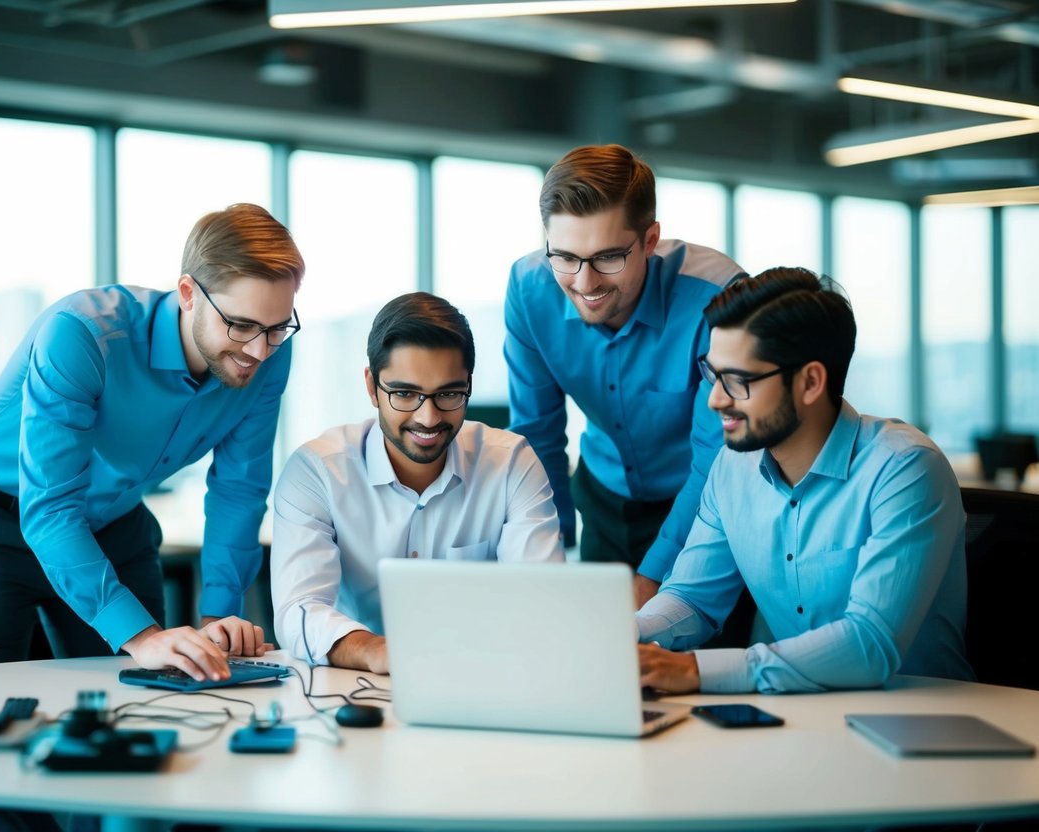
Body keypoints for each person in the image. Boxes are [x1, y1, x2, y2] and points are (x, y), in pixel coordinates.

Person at [0, 203, 304, 686]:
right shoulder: (82, 335)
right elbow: (50, 508)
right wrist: (143, 635)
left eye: (276, 327)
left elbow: (240, 488)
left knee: (151, 697)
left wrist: (219, 619)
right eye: (242, 325)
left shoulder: (270, 355)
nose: (259, 350)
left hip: (112, 521)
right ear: (189, 293)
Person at [636, 267, 974, 694]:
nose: (715, 399)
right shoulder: (731, 469)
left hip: (925, 726)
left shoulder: (905, 468)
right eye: (712, 374)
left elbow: (869, 643)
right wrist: (623, 639)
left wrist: (696, 672)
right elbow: (691, 598)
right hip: (796, 717)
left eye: (738, 381)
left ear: (811, 382)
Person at [270, 292, 564, 674]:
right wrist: (375, 650)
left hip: (481, 676)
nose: (428, 417)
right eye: (405, 394)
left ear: (469, 386)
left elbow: (542, 601)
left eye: (448, 394)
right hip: (352, 685)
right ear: (372, 387)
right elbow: (298, 611)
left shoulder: (510, 463)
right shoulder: (317, 471)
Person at [504, 144, 745, 607]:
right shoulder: (529, 288)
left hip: (705, 506)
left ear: (650, 240)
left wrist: (653, 577)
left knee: (690, 664)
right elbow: (537, 434)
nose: (585, 282)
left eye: (608, 257)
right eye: (565, 256)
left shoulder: (720, 300)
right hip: (604, 496)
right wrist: (544, 561)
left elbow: (715, 458)